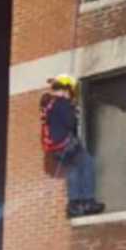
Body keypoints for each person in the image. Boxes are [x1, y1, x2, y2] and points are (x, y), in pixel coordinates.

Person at [39, 74, 105, 219]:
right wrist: (74, 113)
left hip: (56, 147)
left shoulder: (48, 104)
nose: (71, 95)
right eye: (70, 92)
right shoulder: (62, 102)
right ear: (66, 89)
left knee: (73, 168)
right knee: (87, 162)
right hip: (66, 143)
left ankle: (74, 204)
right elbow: (70, 124)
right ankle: (87, 201)